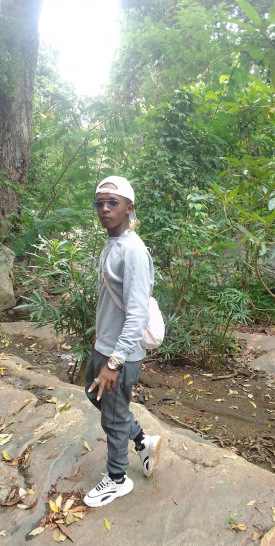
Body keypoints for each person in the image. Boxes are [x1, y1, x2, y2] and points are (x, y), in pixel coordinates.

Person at [83, 175, 161, 508]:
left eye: (112, 203)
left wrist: (114, 362)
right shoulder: (113, 243)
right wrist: (100, 342)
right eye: (99, 203)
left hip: (120, 355)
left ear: (129, 208)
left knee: (112, 419)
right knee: (95, 396)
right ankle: (143, 440)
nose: (104, 209)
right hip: (104, 345)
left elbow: (137, 315)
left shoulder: (133, 251)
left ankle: (117, 479)